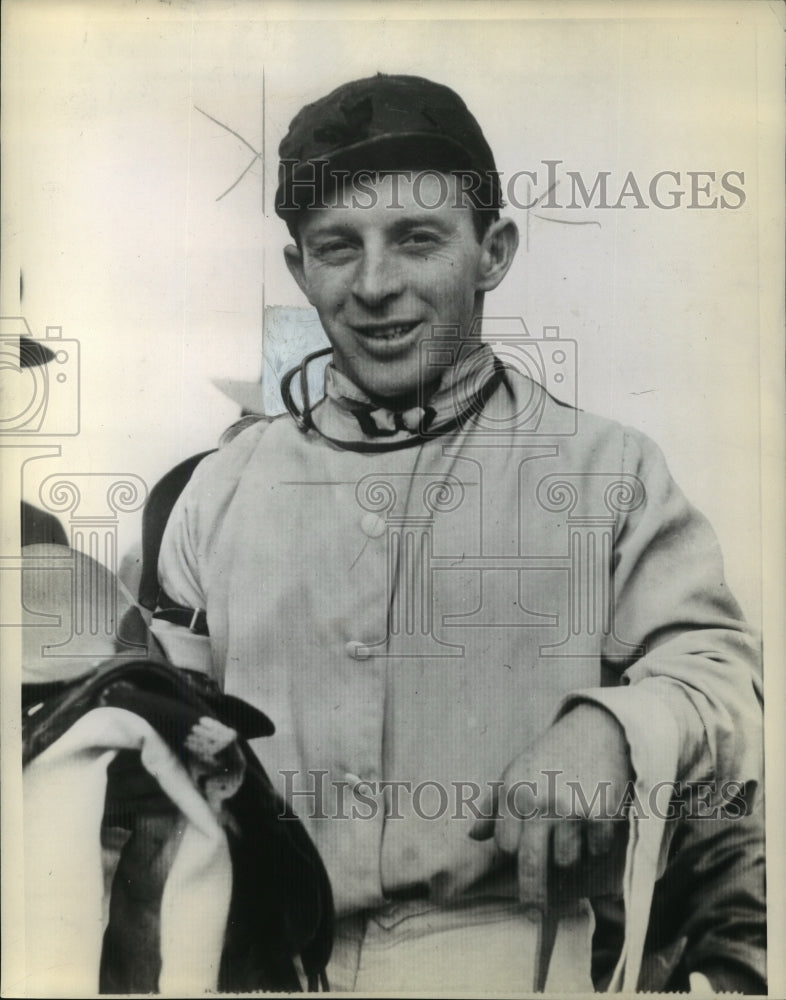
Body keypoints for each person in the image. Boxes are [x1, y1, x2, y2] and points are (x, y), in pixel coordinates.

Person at [155, 74, 763, 992]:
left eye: (417, 239)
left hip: (509, 960)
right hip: (253, 961)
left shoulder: (607, 470)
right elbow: (160, 730)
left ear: (494, 250)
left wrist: (612, 726)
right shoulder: (220, 488)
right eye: (336, 248)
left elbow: (723, 682)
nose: (374, 285)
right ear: (298, 271)